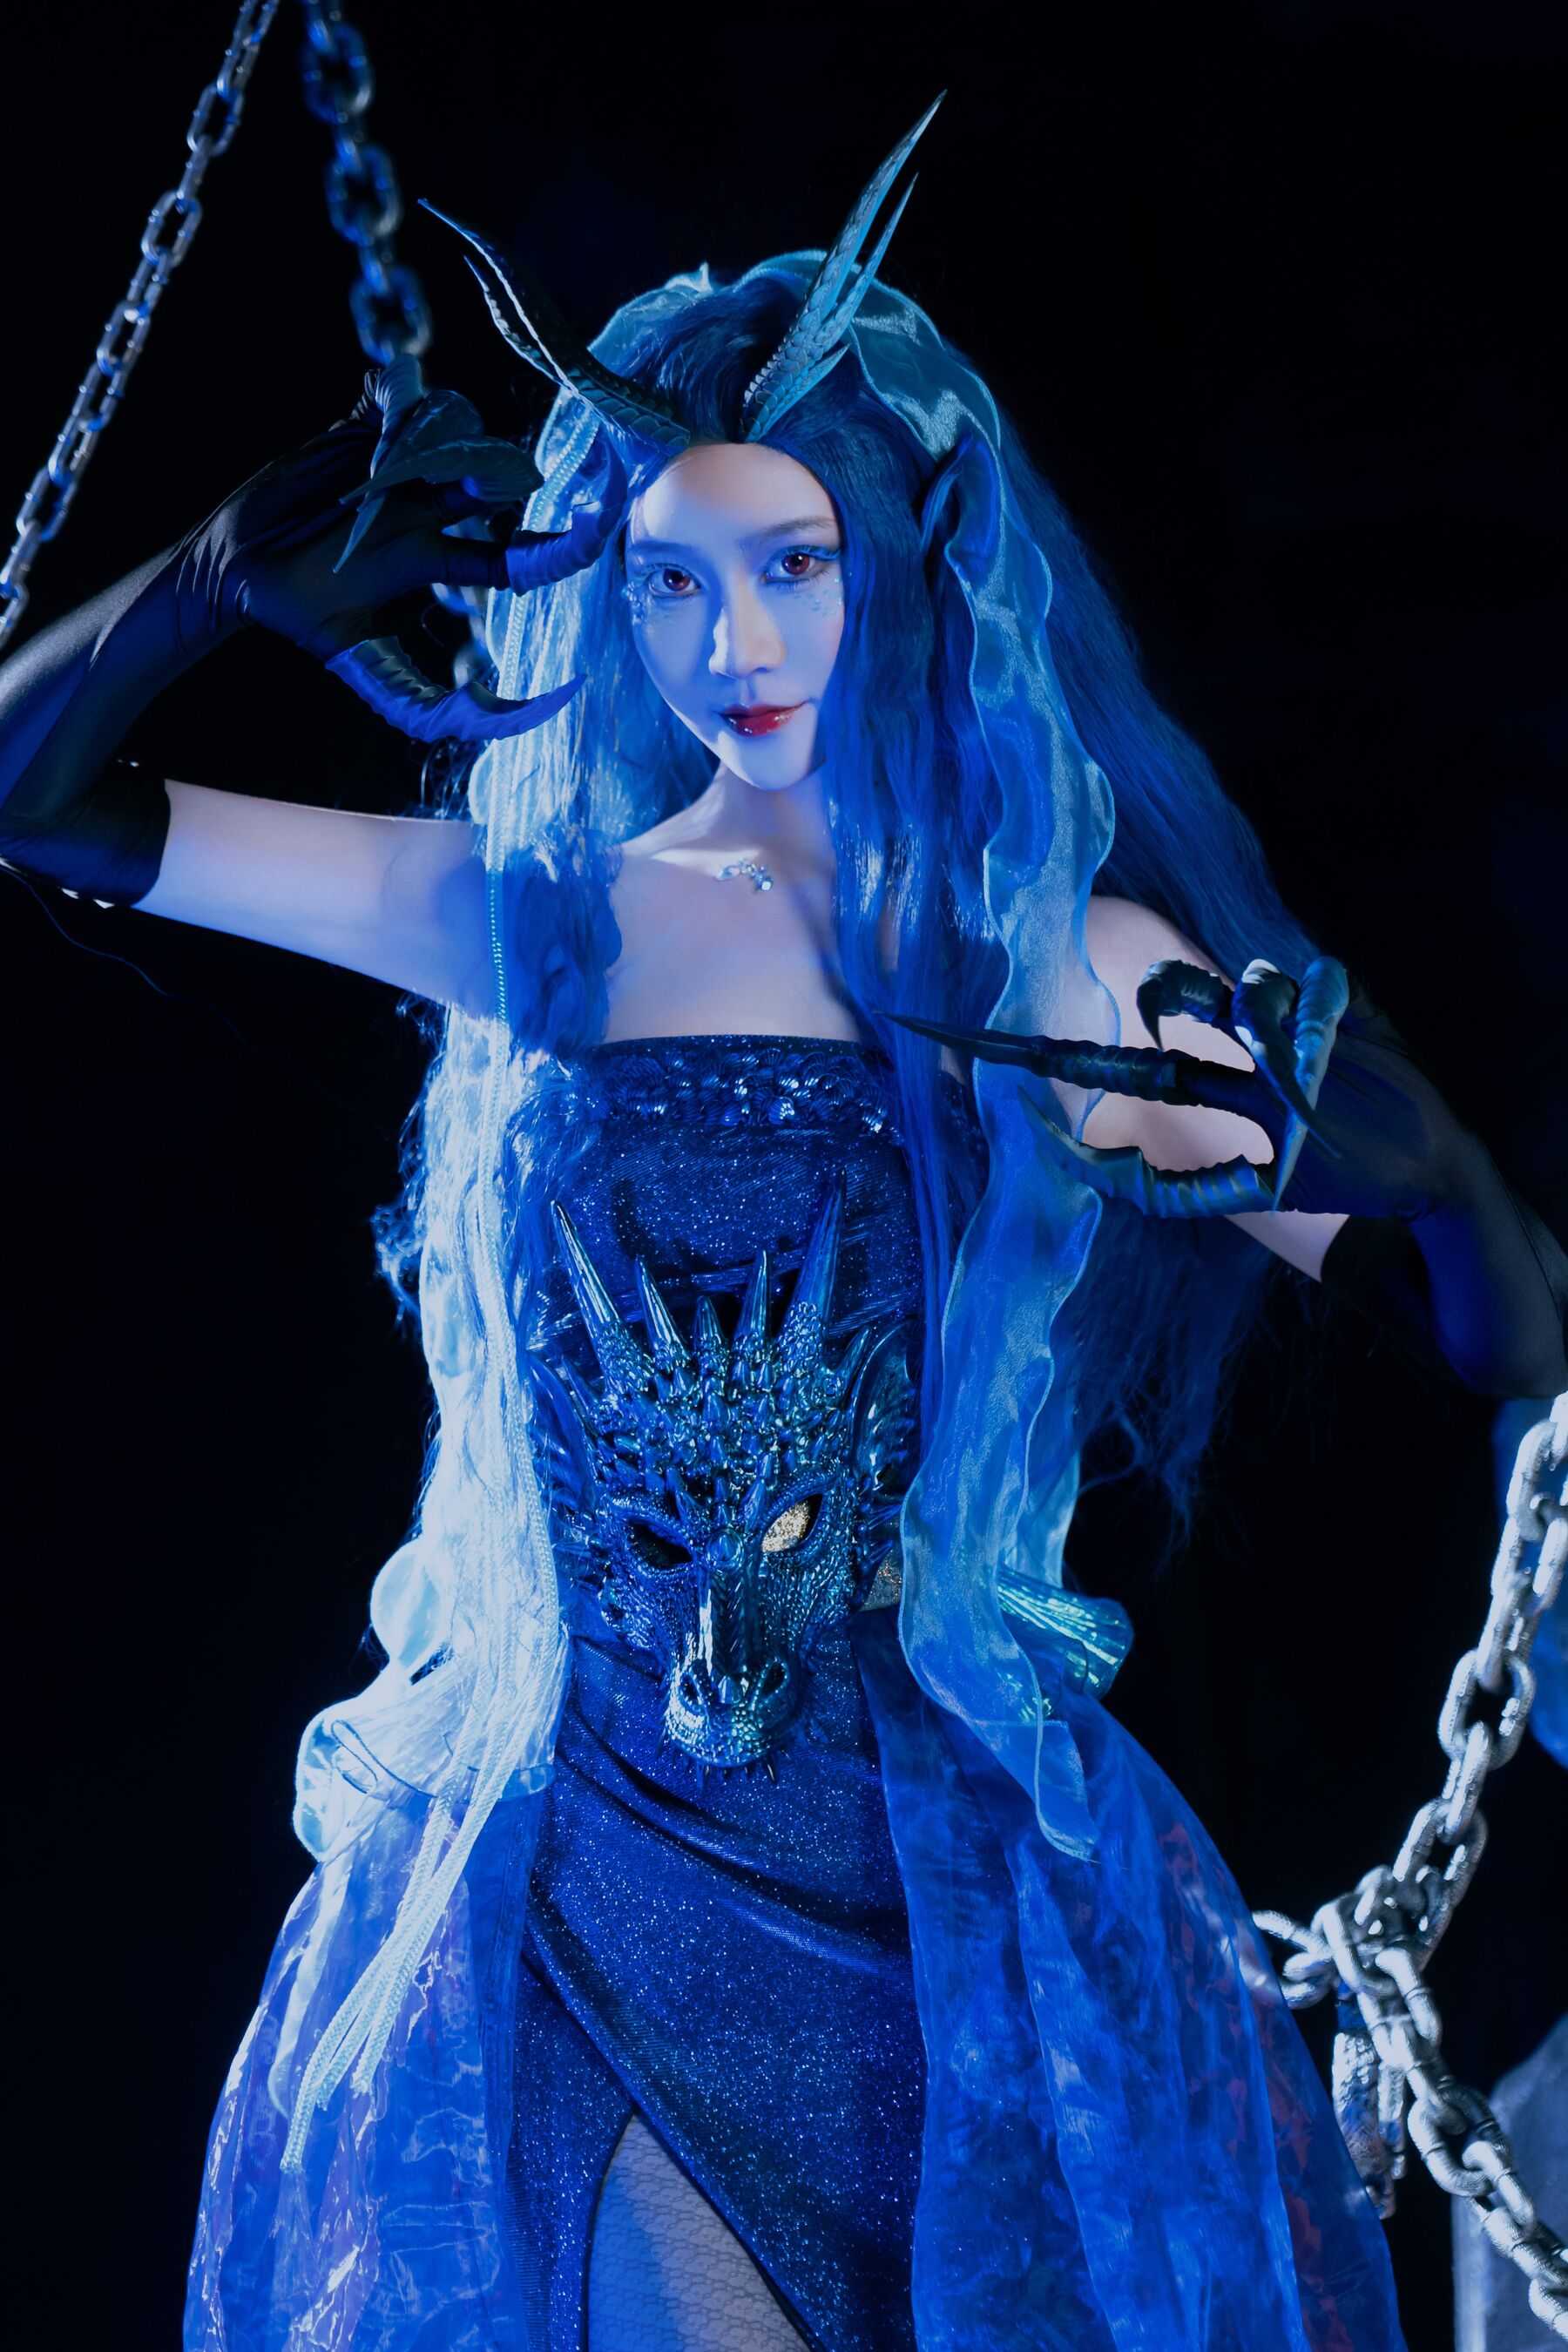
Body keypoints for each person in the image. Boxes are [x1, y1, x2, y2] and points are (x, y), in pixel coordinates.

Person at [3, 98, 1563, 2352]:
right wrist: (215, 578)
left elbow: (1485, 1322)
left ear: (895, 564)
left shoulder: (1049, 960)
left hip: (948, 1891)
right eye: (671, 575)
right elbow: (34, 797)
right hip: (595, 1864)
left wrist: (1438, 1185)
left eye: (791, 562)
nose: (732, 633)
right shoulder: (536, 921)